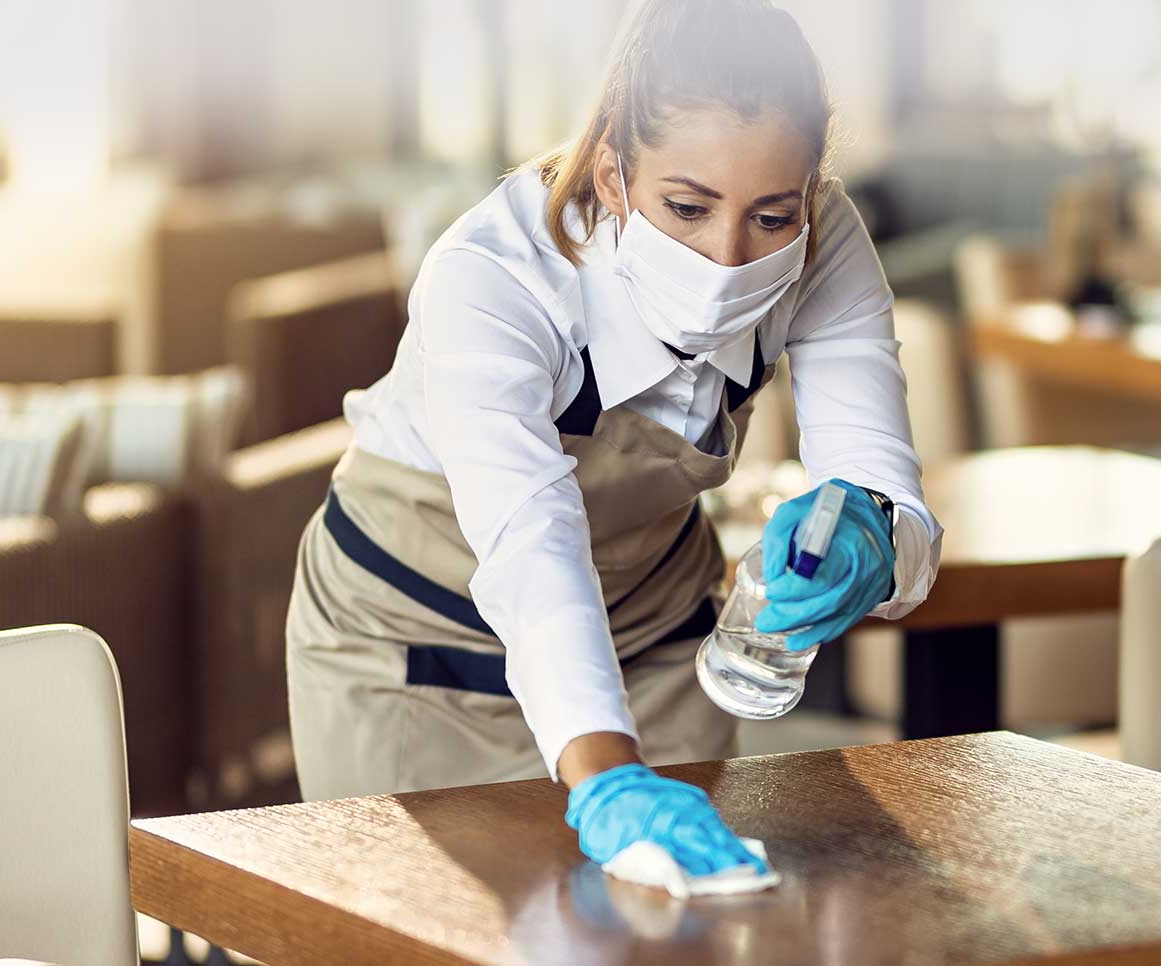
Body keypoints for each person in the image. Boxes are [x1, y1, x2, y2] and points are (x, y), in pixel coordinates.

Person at [285, 0, 938, 876]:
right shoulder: (493, 277)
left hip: (657, 638)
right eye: (687, 206)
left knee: (689, 915)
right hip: (410, 647)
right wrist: (608, 777)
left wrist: (876, 533)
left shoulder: (825, 238)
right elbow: (529, 536)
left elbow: (879, 477)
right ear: (611, 176)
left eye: (772, 217)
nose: (728, 257)